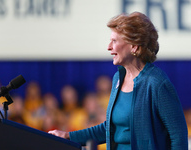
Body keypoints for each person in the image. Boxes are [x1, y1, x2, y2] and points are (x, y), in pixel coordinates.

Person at [48, 12, 188, 150]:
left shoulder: (157, 83)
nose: (109, 47)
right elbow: (110, 129)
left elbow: (179, 137)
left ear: (134, 46)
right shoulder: (118, 78)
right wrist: (68, 136)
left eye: (114, 41)